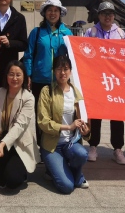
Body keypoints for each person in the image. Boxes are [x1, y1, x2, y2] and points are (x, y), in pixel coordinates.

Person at [38, 55, 91, 194]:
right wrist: (68, 127)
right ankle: (54, 169)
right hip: (52, 146)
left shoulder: (76, 92)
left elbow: (84, 119)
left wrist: (86, 131)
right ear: (54, 71)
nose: (62, 73)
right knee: (67, 187)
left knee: (82, 154)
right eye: (59, 69)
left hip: (71, 143)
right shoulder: (47, 91)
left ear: (71, 71)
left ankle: (76, 174)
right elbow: (43, 121)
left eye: (66, 69)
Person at [83, 1, 125, 165]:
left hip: (115, 81)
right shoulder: (91, 32)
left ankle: (117, 149)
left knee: (117, 116)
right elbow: (83, 52)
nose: (107, 17)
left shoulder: (121, 34)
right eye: (104, 13)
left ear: (114, 16)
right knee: (95, 115)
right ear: (99, 15)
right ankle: (93, 146)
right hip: (96, 81)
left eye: (110, 14)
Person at [0, 60, 40, 189]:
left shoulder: (29, 98)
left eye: (18, 75)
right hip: (2, 137)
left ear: (24, 77)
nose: (14, 78)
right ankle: (1, 166)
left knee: (13, 180)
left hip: (20, 142)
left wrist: (3, 144)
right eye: (11, 74)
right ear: (6, 76)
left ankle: (17, 168)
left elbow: (19, 126)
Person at [22, 0, 72, 122]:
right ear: (44, 13)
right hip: (39, 80)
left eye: (56, 10)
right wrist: (28, 74)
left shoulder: (67, 33)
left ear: (60, 13)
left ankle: (60, 135)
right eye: (50, 10)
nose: (52, 13)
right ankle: (40, 136)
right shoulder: (37, 32)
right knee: (41, 116)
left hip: (61, 80)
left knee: (59, 114)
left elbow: (72, 57)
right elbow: (28, 55)